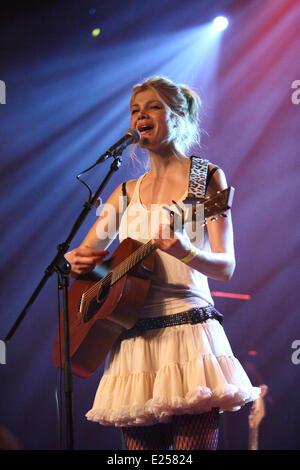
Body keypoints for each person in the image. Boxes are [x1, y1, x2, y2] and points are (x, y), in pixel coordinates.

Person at [65, 76, 260, 450]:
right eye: (135, 110)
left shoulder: (206, 178)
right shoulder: (124, 192)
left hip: (188, 333)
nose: (142, 115)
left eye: (153, 106)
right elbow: (91, 261)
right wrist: (78, 261)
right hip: (132, 338)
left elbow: (226, 266)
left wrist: (185, 249)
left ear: (180, 114)